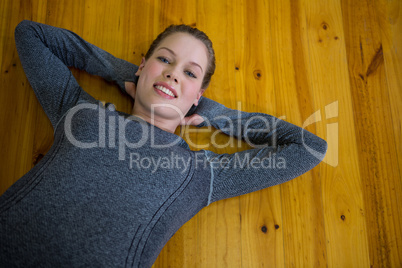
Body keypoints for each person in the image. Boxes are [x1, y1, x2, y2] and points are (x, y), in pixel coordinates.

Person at [0, 20, 327, 267]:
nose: (172, 74)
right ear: (143, 65)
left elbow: (309, 146)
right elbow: (31, 35)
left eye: (190, 73)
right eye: (165, 60)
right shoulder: (79, 114)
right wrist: (131, 76)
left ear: (198, 96)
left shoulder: (199, 174)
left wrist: (212, 113)